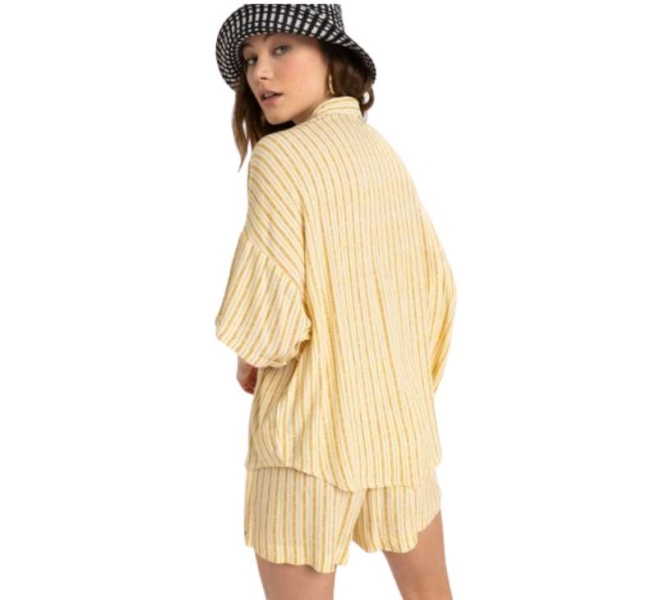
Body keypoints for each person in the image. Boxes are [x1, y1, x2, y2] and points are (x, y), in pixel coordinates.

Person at [214, 5, 457, 599]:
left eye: (281, 49)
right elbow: (437, 289)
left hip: (309, 436)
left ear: (332, 57)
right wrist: (402, 384)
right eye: (251, 58)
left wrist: (248, 357)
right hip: (398, 428)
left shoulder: (279, 158)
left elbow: (269, 323)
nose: (260, 73)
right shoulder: (379, 151)